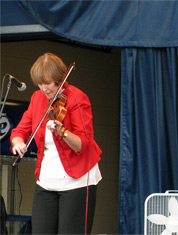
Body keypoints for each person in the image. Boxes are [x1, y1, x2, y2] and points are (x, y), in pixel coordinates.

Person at [10, 52, 102, 234]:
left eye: (48, 83)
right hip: (47, 181)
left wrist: (63, 132)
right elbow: (19, 131)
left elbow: (83, 144)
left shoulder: (77, 98)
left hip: (77, 180)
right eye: (40, 83)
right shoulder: (37, 98)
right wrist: (18, 142)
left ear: (60, 79)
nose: (44, 88)